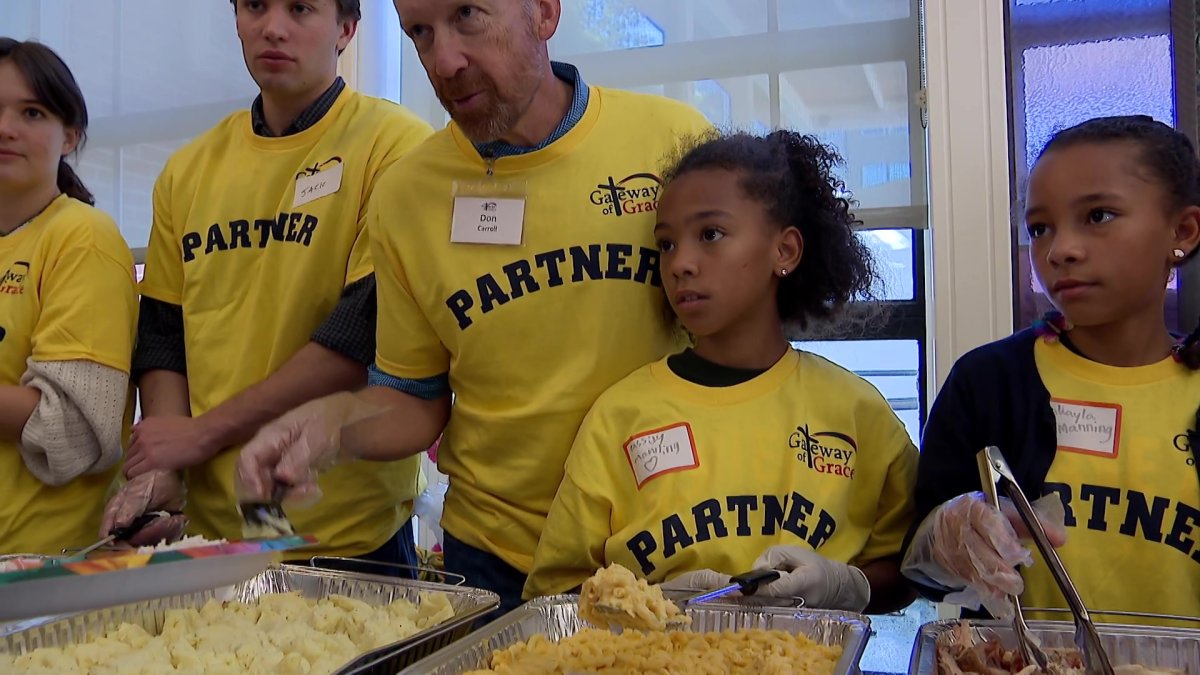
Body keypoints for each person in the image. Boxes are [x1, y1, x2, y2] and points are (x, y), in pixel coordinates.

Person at [235, 0, 713, 611]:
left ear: (543, 12)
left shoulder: (670, 144)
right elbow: (413, 397)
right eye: (420, 33)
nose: (445, 60)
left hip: (670, 543)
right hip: (497, 560)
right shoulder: (408, 196)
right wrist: (330, 424)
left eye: (468, 17)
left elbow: (740, 345)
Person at [521, 131, 919, 614]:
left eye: (710, 235)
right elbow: (553, 594)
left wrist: (845, 585)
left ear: (785, 251)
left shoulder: (858, 413)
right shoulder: (621, 415)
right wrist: (641, 604)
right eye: (666, 245)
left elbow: (913, 571)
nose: (681, 264)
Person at [99, 0, 434, 567]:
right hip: (213, 530)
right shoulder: (188, 169)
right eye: (255, 6)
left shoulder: (394, 145)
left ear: (347, 29)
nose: (273, 27)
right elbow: (163, 336)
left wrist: (204, 433)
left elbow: (361, 334)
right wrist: (165, 465)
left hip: (345, 530)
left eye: (301, 8)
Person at [901, 115, 1200, 625]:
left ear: (1183, 231)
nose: (1060, 250)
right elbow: (919, 569)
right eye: (1039, 228)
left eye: (1099, 216)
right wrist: (946, 535)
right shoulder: (987, 383)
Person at [0, 39, 138, 555]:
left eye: (31, 112)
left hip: (42, 578)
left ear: (69, 136)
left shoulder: (83, 238)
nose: (6, 128)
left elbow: (76, 427)